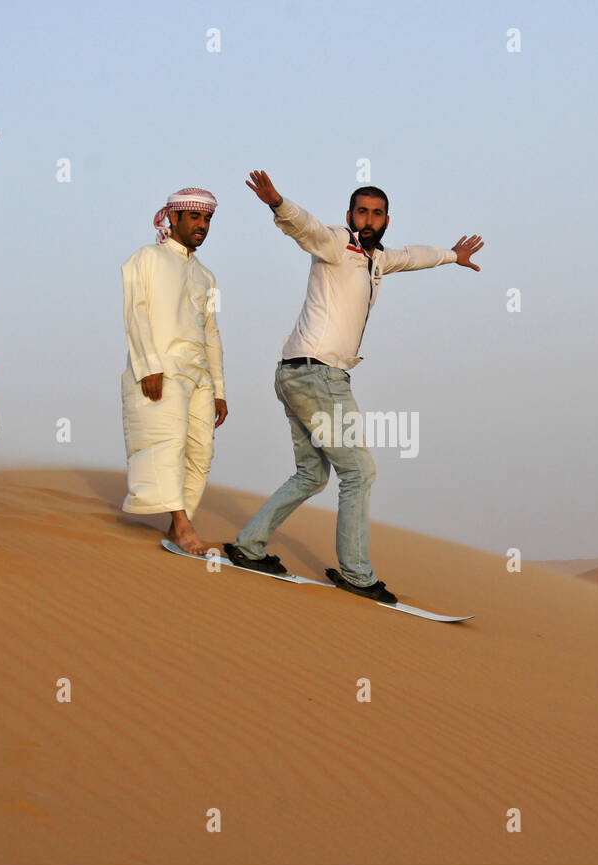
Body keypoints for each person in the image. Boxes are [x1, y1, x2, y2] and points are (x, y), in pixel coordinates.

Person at [225, 170, 483, 602]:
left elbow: (411, 256)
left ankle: (250, 546)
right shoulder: (335, 245)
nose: (368, 220)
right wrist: (277, 203)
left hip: (297, 372)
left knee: (311, 474)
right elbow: (304, 226)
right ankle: (356, 574)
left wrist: (451, 256)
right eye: (361, 212)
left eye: (377, 214)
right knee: (358, 472)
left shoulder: (377, 260)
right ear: (349, 215)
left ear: (386, 220)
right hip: (317, 374)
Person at [120, 188, 227, 554]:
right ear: (174, 218)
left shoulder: (207, 277)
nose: (202, 225)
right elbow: (135, 313)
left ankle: (175, 529)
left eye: (208, 219)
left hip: (199, 376)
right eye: (195, 217)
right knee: (167, 447)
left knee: (200, 453)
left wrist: (219, 389)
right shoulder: (145, 258)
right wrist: (149, 366)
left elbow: (211, 333)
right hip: (161, 370)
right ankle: (183, 528)